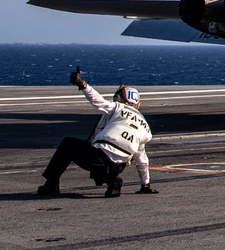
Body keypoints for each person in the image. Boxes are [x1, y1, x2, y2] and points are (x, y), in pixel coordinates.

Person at [36, 67, 157, 197]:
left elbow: (98, 101)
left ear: (121, 99)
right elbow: (142, 159)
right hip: (118, 167)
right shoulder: (144, 127)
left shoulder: (118, 108)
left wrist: (82, 84)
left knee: (67, 143)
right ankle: (112, 179)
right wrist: (146, 184)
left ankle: (52, 185)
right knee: (104, 159)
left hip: (99, 159)